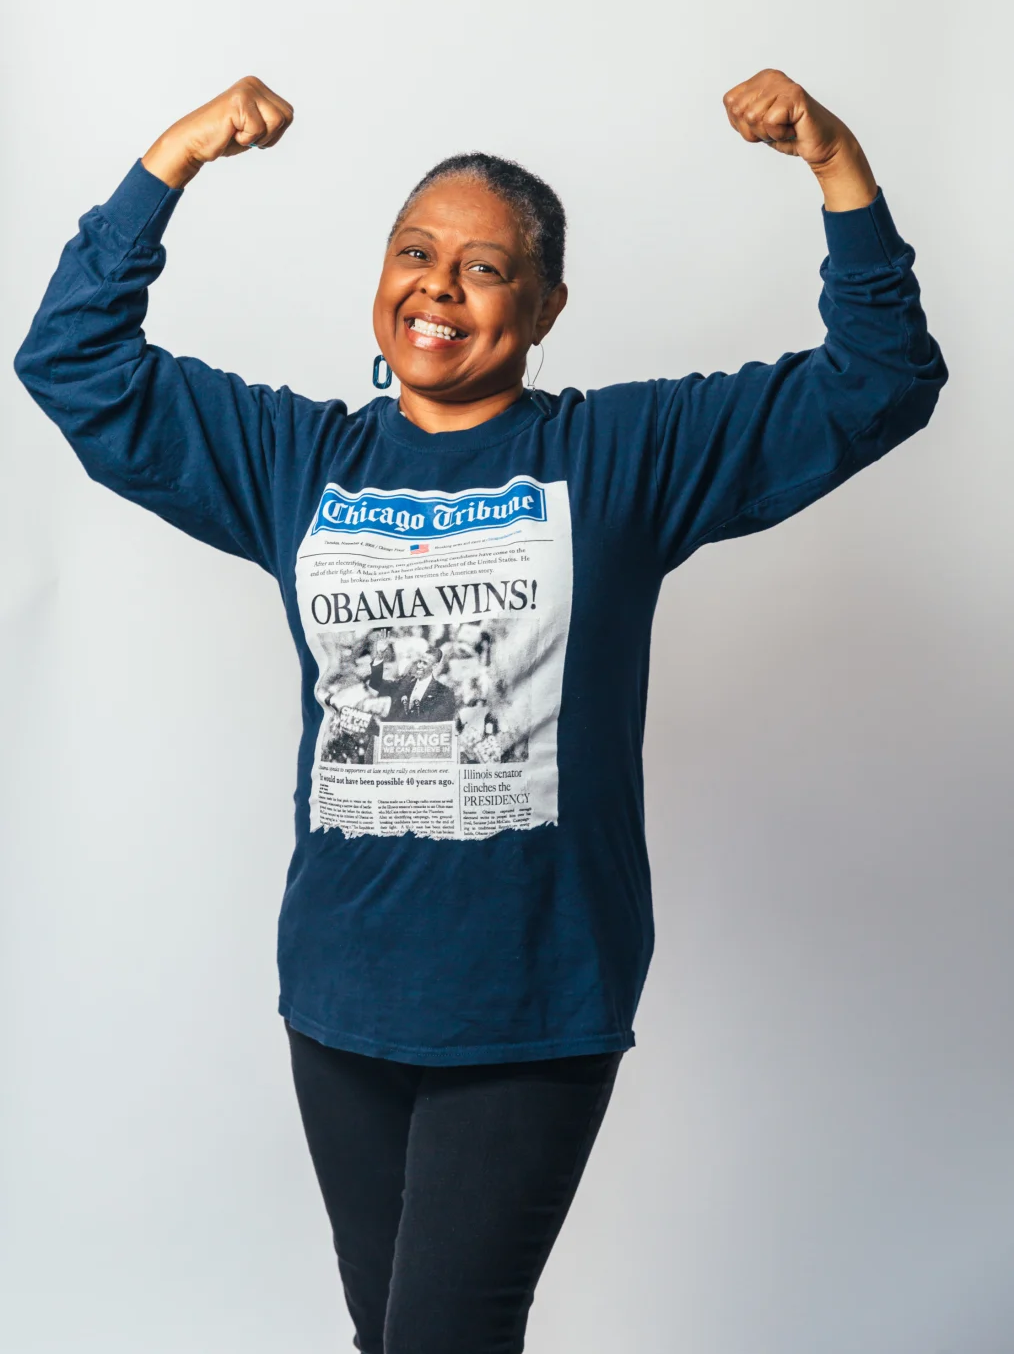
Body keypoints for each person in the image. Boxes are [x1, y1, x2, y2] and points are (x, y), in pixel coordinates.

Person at [14, 70, 947, 1353]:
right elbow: (71, 360)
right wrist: (172, 159)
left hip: (529, 998)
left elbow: (880, 379)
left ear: (546, 304)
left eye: (485, 266)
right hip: (338, 996)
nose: (439, 286)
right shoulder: (299, 462)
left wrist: (837, 162)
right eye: (415, 252)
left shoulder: (621, 458)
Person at [369, 643, 456, 721]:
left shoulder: (444, 692)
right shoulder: (401, 686)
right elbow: (376, 684)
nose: (419, 666)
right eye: (418, 663)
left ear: (434, 666)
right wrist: (379, 657)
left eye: (425, 663)